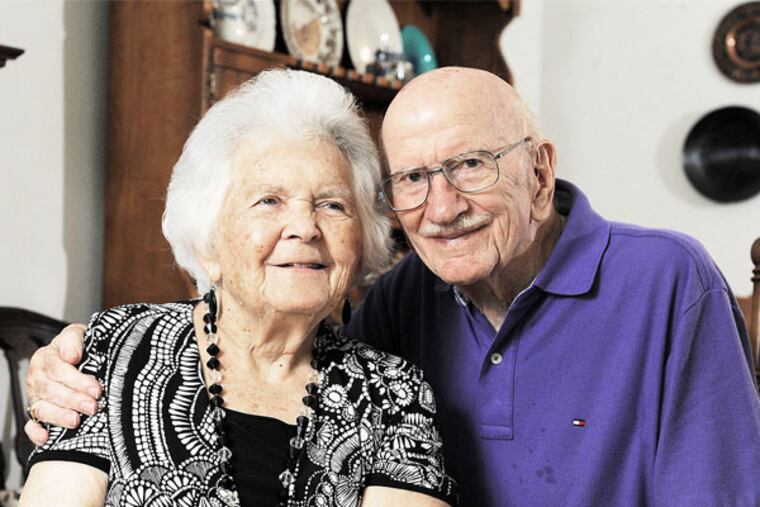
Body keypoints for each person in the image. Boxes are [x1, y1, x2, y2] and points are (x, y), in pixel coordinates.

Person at [25, 67, 760, 506]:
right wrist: (55, 366)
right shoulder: (407, 299)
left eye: (471, 164)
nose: (441, 208)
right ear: (207, 231)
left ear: (540, 170)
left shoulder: (666, 280)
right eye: (411, 178)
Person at [19, 69, 457, 507]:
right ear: (207, 240)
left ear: (361, 245)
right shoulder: (117, 350)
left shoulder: (393, 394)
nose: (305, 227)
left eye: (332, 204)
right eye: (269, 201)